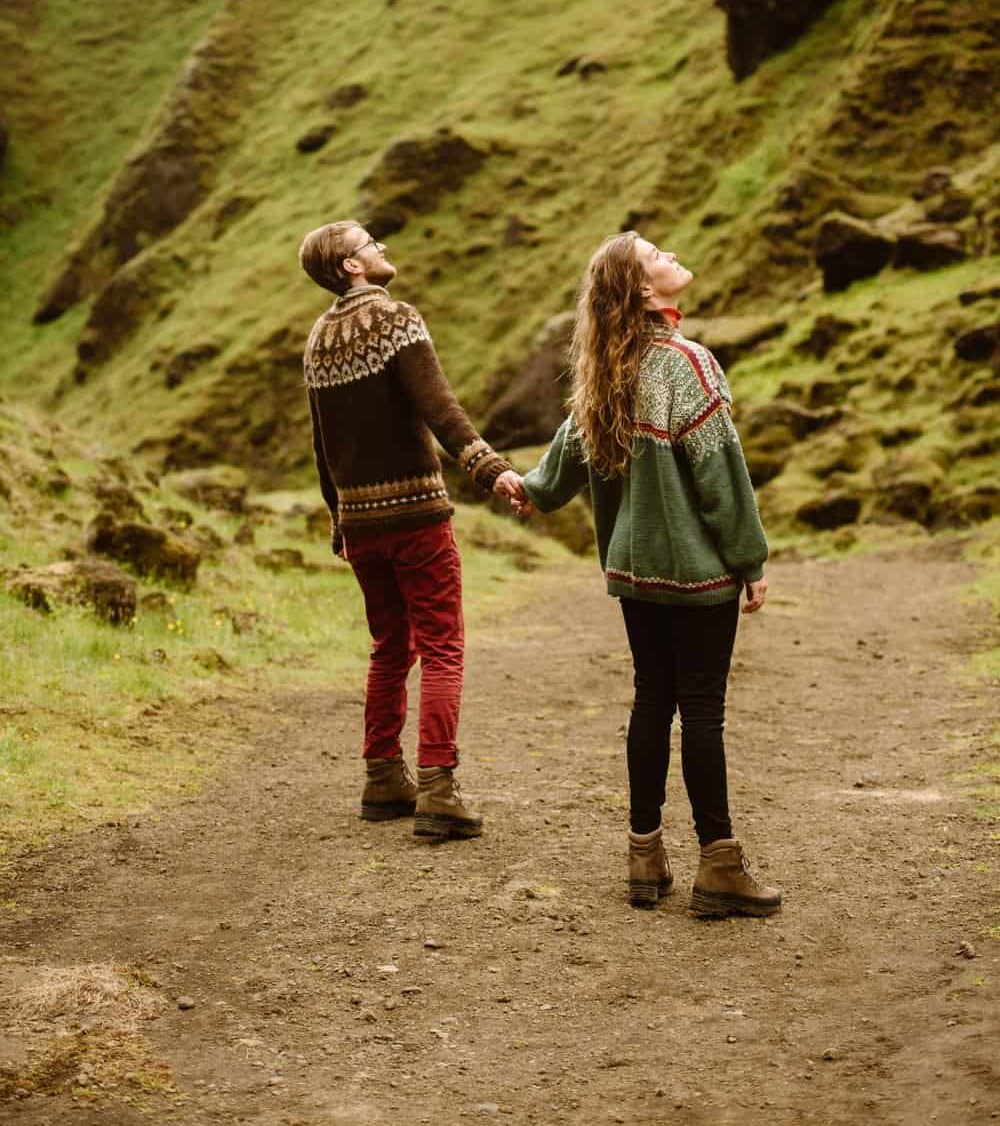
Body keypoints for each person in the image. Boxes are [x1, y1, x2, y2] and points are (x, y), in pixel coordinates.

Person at [512, 232, 781, 916]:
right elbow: (722, 478)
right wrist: (750, 560)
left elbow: (563, 462)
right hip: (697, 576)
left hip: (634, 574)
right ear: (641, 289)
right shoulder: (687, 365)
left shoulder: (607, 371)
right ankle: (719, 865)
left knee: (650, 700)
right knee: (702, 710)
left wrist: (531, 489)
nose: (671, 256)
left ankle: (645, 855)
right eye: (656, 254)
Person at [298, 220, 522, 842]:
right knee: (443, 646)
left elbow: (323, 445)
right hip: (418, 516)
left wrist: (338, 516)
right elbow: (439, 407)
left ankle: (381, 778)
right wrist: (490, 469)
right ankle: (439, 788)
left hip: (362, 526)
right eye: (370, 244)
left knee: (390, 649)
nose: (381, 248)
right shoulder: (397, 319)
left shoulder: (317, 340)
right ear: (351, 266)